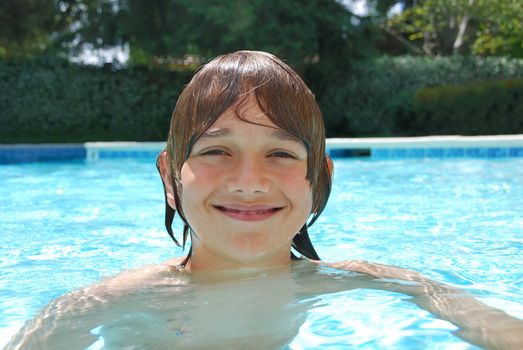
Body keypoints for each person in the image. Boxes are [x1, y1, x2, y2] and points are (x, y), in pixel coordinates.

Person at [6, 50, 523, 349]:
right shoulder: (111, 301)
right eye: (216, 150)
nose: (249, 181)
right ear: (170, 176)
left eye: (279, 153)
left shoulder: (367, 281)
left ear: (319, 179)